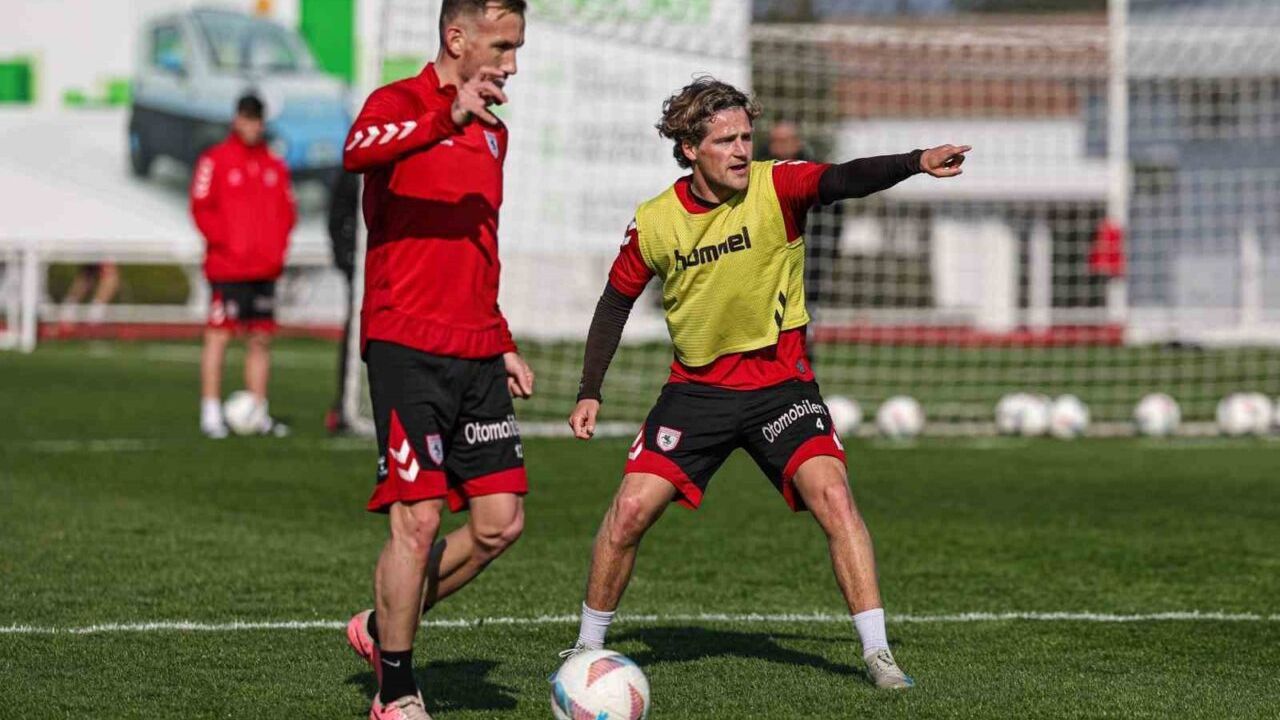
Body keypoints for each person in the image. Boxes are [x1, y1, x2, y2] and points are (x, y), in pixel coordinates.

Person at [563, 77, 969, 690]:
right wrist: (590, 389)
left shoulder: (776, 186)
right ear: (689, 149)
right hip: (696, 392)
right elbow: (615, 301)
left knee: (835, 498)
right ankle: (586, 651)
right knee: (628, 512)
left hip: (782, 386)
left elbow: (844, 177)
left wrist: (915, 162)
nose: (740, 150)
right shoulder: (655, 222)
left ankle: (879, 655)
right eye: (725, 140)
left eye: (745, 137)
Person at [339, 2, 534, 718]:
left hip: (476, 347)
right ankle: (395, 690)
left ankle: (379, 625)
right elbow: (358, 151)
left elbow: (481, 245)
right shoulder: (396, 104)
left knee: (499, 523)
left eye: (517, 48)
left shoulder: (495, 135)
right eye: (502, 46)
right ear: (457, 38)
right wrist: (445, 117)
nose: (512, 64)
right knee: (417, 521)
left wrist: (500, 335)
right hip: (405, 343)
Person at [190, 93, 295, 439]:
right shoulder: (215, 160)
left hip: (264, 269)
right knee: (218, 336)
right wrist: (228, 244)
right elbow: (201, 207)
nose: (252, 125)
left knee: (260, 340)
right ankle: (210, 412)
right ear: (236, 119)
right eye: (247, 118)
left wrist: (275, 251)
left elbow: (287, 212)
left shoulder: (274, 165)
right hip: (227, 268)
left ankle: (257, 411)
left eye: (257, 119)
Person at [325, 170, 359, 435]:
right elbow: (337, 216)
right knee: (356, 335)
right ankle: (346, 404)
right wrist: (344, 256)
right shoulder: (354, 171)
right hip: (363, 270)